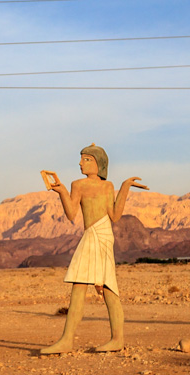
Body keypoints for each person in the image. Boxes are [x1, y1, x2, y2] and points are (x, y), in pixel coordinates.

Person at [41, 144, 147, 354]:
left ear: (98, 163)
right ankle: (69, 340)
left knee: (107, 286)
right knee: (80, 285)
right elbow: (72, 214)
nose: (81, 163)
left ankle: (112, 339)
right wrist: (61, 190)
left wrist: (125, 187)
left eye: (86, 159)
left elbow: (115, 215)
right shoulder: (77, 184)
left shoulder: (108, 187)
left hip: (103, 233)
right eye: (81, 159)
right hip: (90, 234)